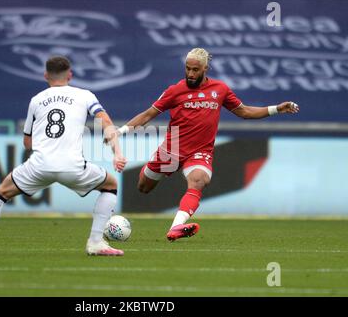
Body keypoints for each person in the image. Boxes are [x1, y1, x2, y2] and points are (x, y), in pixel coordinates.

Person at [107, 48, 299, 241]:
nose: (191, 74)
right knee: (144, 187)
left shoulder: (220, 90)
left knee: (199, 180)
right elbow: (148, 114)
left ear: (205, 68)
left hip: (200, 152)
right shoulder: (175, 91)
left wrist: (276, 109)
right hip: (171, 151)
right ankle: (153, 179)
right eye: (188, 69)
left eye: (195, 70)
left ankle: (176, 227)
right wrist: (120, 131)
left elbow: (245, 112)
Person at [0, 56, 127, 256]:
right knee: (110, 185)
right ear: (70, 75)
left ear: (45, 75)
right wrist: (117, 153)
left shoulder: (36, 100)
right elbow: (105, 121)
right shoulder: (85, 95)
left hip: (40, 164)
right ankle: (95, 242)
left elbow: (27, 142)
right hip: (72, 166)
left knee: (1, 194)